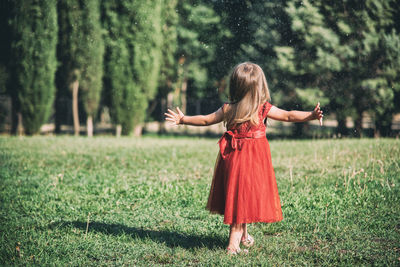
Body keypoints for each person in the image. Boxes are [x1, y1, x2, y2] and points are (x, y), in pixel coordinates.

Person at [165, 62, 323, 255]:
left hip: (233, 158)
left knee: (241, 198)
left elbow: (206, 120)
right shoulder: (263, 108)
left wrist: (184, 119)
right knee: (244, 197)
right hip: (254, 161)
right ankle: (233, 245)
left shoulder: (229, 109)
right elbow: (289, 116)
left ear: (235, 85)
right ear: (260, 87)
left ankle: (244, 235)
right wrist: (311, 115)